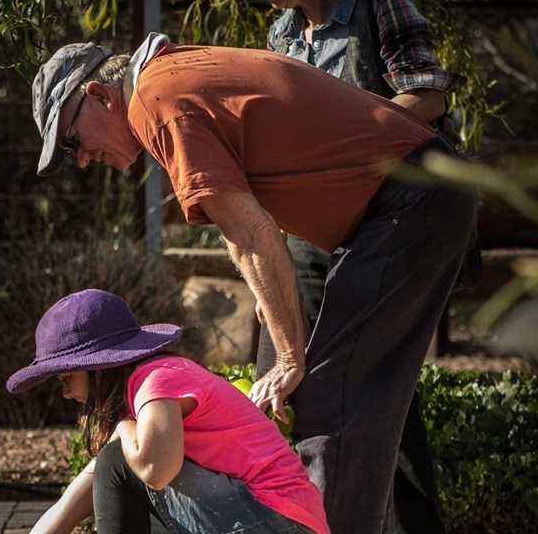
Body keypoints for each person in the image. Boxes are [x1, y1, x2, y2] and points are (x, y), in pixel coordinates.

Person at [29, 34, 477, 534]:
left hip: (408, 202)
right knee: (312, 400)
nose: (83, 159)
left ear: (98, 95)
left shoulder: (159, 102)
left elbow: (251, 234)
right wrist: (275, 314)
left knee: (333, 402)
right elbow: (243, 219)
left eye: (71, 141)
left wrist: (290, 355)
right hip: (394, 206)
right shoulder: (170, 81)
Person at [199, 0, 465, 531]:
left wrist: (348, 149)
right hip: (305, 240)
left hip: (389, 229)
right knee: (298, 392)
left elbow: (426, 96)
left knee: (365, 393)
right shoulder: (281, 34)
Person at [6, 288, 328, 534]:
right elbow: (69, 505)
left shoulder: (158, 379)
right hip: (267, 519)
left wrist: (122, 429)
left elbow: (155, 470)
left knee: (118, 460)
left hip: (280, 521)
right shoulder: (141, 411)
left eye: (67, 379)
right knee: (116, 461)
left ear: (98, 367)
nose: (66, 393)